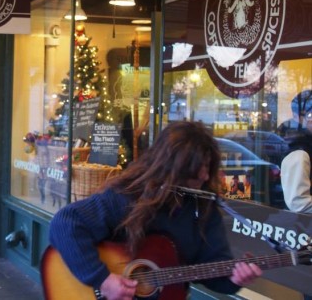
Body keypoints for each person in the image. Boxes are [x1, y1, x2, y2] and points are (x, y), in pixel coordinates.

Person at [49, 121, 262, 300]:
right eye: (197, 169)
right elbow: (65, 223)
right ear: (172, 169)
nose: (205, 177)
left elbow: (211, 269)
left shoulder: (204, 208)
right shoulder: (128, 197)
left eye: (208, 166)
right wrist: (102, 280)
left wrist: (234, 280)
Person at [280, 90, 312, 214]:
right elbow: (298, 203)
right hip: (301, 228)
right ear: (296, 117)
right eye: (311, 116)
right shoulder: (299, 153)